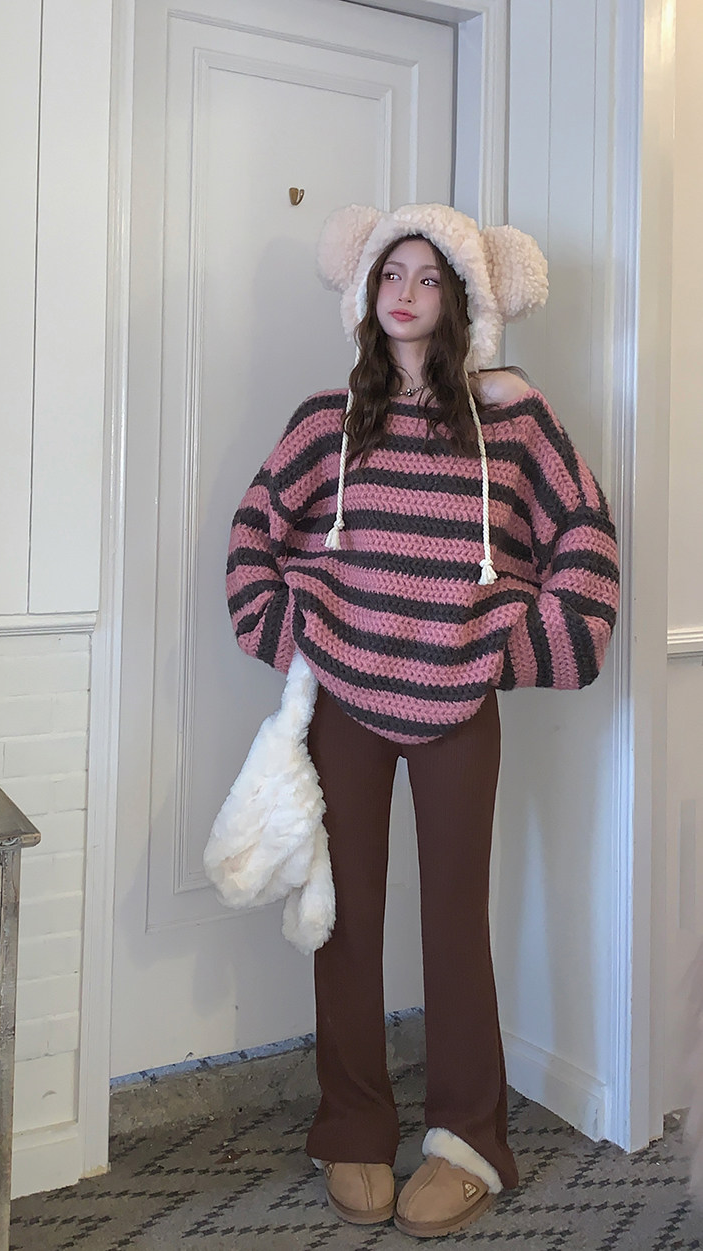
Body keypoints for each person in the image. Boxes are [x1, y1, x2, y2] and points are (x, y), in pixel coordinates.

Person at [222, 204, 620, 1238]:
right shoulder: (328, 419)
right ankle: (352, 1124)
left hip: (457, 706)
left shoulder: (514, 423)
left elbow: (584, 532)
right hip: (344, 703)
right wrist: (293, 635)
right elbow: (255, 530)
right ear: (365, 287)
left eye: (429, 276)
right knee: (345, 918)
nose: (404, 291)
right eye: (389, 272)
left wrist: (511, 650)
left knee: (455, 920)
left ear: (466, 297)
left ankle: (469, 1138)